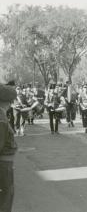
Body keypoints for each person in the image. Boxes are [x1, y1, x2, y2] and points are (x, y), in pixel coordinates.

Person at [0, 82, 17, 212]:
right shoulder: (1, 119)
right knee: (7, 194)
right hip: (3, 164)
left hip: (5, 162)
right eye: (10, 101)